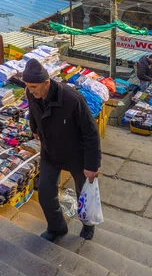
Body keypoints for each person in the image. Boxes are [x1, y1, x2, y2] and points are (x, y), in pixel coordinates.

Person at [24, 58, 101, 243]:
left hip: (76, 155)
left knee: (84, 194)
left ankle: (88, 225)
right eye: (28, 86)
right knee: (45, 193)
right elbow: (33, 112)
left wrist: (92, 165)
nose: (31, 90)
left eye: (34, 86)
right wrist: (34, 129)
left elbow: (91, 133)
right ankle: (57, 227)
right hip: (50, 152)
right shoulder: (31, 93)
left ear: (46, 83)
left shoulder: (72, 99)